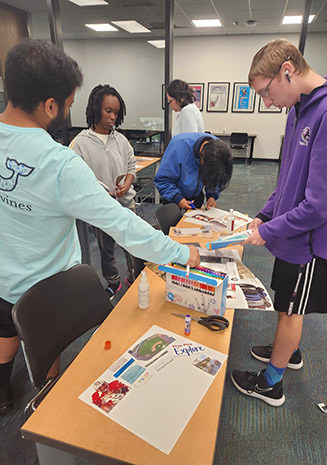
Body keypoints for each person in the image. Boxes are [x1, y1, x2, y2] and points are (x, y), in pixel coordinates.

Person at [0, 39, 199, 415]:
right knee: (48, 356)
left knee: (7, 326)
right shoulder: (59, 162)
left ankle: (3, 387)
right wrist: (180, 252)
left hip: (3, 276)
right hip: (45, 288)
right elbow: (123, 225)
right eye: (69, 104)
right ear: (50, 105)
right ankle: (50, 404)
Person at [231, 39, 327, 407]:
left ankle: (271, 383)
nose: (266, 102)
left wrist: (267, 231)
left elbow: (320, 204)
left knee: (294, 308)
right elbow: (287, 180)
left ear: (287, 71)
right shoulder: (299, 107)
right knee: (286, 303)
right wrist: (267, 212)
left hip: (311, 241)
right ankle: (287, 350)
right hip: (291, 234)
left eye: (266, 92)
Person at [70, 84, 138, 296]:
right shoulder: (80, 143)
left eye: (116, 113)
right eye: (108, 111)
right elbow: (79, 177)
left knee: (132, 244)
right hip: (100, 209)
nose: (113, 117)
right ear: (95, 109)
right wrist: (99, 191)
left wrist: (128, 181)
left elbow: (131, 166)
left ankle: (133, 274)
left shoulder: (121, 139)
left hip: (125, 205)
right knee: (106, 249)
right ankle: (113, 280)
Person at [154, 132, 233, 210]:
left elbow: (216, 177)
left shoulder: (219, 150)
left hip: (196, 195)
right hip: (173, 196)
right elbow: (163, 179)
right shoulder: (179, 146)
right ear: (202, 155)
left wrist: (211, 196)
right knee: (175, 221)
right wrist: (177, 198)